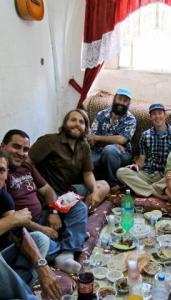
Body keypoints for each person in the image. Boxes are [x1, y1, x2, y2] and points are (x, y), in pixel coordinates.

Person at [1, 129, 88, 274]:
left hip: (44, 214)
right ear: (2, 146)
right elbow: (13, 220)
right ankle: (72, 238)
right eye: (16, 147)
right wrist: (41, 229)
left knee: (78, 206)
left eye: (25, 149)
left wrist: (54, 212)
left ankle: (68, 248)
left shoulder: (26, 166)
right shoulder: (2, 173)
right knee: (41, 242)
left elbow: (48, 190)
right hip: (25, 227)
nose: (21, 153)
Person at [0, 150, 61, 299]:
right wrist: (12, 220)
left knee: (40, 239)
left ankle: (14, 284)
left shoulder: (3, 196)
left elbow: (19, 232)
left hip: (6, 258)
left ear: (6, 174)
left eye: (1, 170)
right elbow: (15, 222)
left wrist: (42, 266)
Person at [28, 109, 110, 209]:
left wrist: (94, 192)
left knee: (104, 186)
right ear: (65, 123)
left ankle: (76, 211)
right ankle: (67, 211)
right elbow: (27, 163)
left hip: (69, 192)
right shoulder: (49, 141)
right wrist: (40, 186)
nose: (77, 124)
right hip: (50, 194)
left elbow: (87, 173)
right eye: (73, 120)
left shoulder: (84, 146)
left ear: (85, 128)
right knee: (80, 204)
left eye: (81, 122)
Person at [116, 103, 171, 199]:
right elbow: (142, 159)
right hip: (147, 174)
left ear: (165, 115)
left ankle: (145, 189)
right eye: (154, 114)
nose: (157, 116)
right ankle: (155, 193)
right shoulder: (145, 135)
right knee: (120, 172)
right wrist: (136, 165)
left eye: (160, 113)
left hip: (165, 175)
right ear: (151, 117)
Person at [87, 88, 137, 192]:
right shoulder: (101, 115)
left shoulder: (130, 119)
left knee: (110, 150)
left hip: (123, 153)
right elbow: (92, 138)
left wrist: (99, 138)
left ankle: (112, 184)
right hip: (99, 150)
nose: (121, 103)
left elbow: (122, 139)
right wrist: (113, 142)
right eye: (120, 99)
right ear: (114, 98)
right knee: (87, 160)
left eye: (125, 101)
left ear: (128, 103)